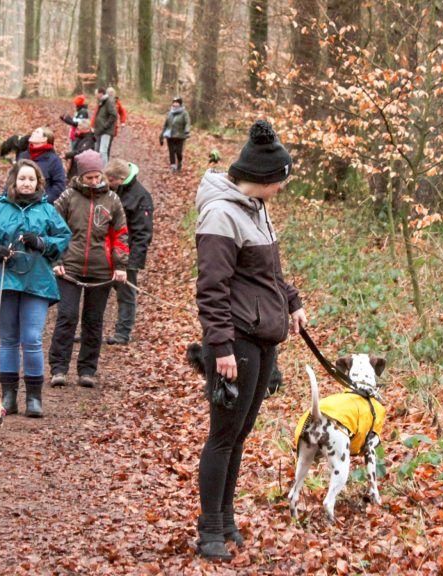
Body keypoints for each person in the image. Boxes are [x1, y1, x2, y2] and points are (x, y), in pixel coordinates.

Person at [193, 119, 307, 561]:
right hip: (236, 340)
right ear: (263, 178)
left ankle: (226, 520)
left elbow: (270, 272)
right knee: (223, 436)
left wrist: (292, 302)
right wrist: (219, 347)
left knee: (240, 434)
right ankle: (209, 531)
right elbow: (211, 288)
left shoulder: (256, 208)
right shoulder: (221, 213)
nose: (283, 186)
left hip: (263, 338)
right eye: (281, 179)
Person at [0, 159, 71, 418]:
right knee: (8, 339)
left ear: (38, 182)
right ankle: (8, 396)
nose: (26, 183)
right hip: (5, 279)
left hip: (37, 280)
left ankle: (34, 398)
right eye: (22, 179)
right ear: (14, 182)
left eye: (31, 179)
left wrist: (41, 242)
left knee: (32, 338)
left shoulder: (47, 210)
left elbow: (63, 238)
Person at [48, 150, 129, 388]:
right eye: (88, 178)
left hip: (101, 270)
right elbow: (51, 228)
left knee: (93, 321)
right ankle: (58, 368)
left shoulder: (112, 200)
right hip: (69, 267)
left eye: (96, 177)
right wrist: (56, 260)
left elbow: (121, 234)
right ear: (80, 176)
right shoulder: (67, 197)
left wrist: (120, 265)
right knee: (67, 316)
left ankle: (87, 370)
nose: (94, 182)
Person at [103, 159, 154, 345]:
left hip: (126, 255)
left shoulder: (141, 197)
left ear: (121, 179)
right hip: (104, 252)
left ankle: (123, 332)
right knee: (99, 292)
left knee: (126, 295)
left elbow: (143, 233)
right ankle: (91, 331)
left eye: (109, 179)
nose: (105, 182)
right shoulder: (111, 190)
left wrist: (130, 262)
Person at [18, 126, 66, 204]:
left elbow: (59, 185)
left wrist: (44, 200)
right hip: (19, 203)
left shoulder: (54, 160)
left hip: (42, 205)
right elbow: (12, 178)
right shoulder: (23, 156)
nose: (33, 133)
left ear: (45, 139)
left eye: (37, 132)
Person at [159, 96, 191, 172]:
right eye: (174, 102)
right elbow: (165, 125)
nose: (175, 104)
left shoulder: (184, 113)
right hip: (169, 136)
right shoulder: (169, 113)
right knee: (171, 151)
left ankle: (179, 162)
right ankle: (173, 166)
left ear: (180, 104)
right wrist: (161, 136)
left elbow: (187, 123)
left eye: (177, 102)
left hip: (180, 136)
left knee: (179, 152)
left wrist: (187, 130)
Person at [91, 87, 118, 166]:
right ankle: (98, 167)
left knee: (103, 151)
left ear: (101, 93)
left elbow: (114, 115)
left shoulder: (109, 101)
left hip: (106, 130)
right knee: (98, 150)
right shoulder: (101, 101)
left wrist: (105, 125)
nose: (96, 96)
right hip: (99, 130)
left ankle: (105, 170)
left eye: (96, 94)